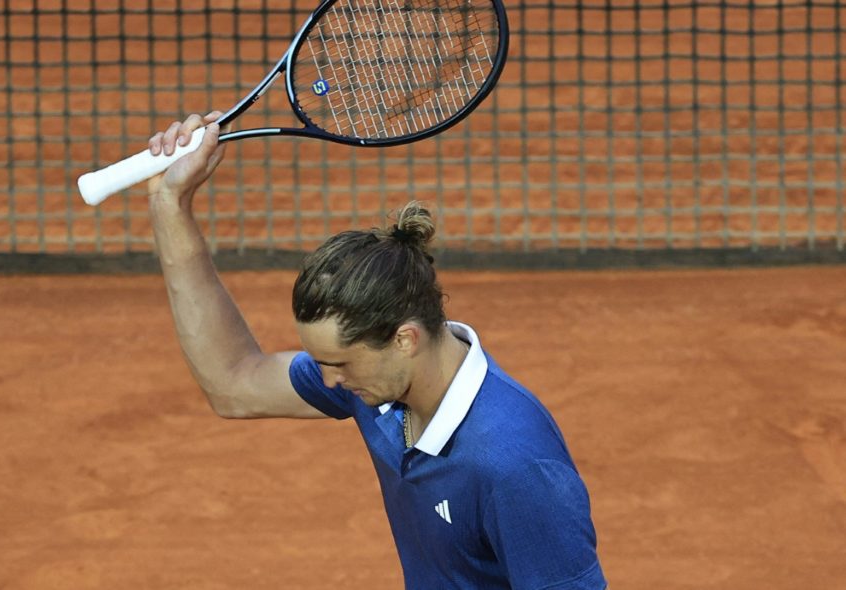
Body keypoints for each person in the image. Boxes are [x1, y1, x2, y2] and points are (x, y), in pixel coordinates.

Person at [144, 111, 607, 589]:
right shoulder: (383, 391)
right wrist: (169, 204)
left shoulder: (515, 465)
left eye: (340, 363)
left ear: (405, 338)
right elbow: (235, 382)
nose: (328, 382)